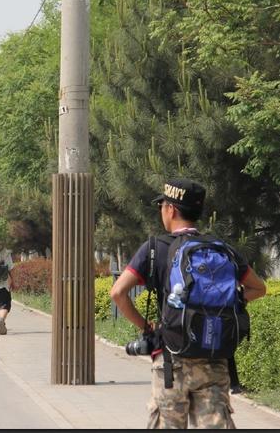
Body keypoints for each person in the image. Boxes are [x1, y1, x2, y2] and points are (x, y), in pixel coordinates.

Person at [110, 178, 267, 429]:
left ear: (170, 209)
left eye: (162, 206)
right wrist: (227, 303)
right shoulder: (221, 248)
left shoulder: (155, 248)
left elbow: (118, 292)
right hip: (214, 359)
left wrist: (146, 327)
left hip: (171, 361)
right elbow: (259, 288)